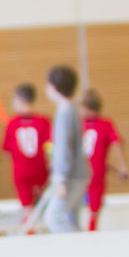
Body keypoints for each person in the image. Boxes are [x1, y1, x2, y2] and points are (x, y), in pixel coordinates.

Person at [41, 65, 91, 233]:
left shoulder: (64, 111)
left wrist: (60, 178)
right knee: (72, 218)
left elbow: (63, 147)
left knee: (53, 218)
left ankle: (82, 250)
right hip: (80, 173)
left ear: (54, 87)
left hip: (70, 176)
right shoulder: (74, 108)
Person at [80, 89, 129, 231]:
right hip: (96, 172)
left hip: (79, 173)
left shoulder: (79, 123)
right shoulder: (106, 124)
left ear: (85, 107)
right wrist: (122, 167)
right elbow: (117, 143)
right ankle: (92, 229)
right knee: (94, 210)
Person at [1, 83, 51, 215]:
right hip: (41, 171)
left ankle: (30, 232)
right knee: (45, 208)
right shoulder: (44, 121)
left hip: (21, 172)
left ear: (20, 100)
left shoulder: (12, 123)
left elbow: (8, 150)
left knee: (27, 210)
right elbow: (50, 148)